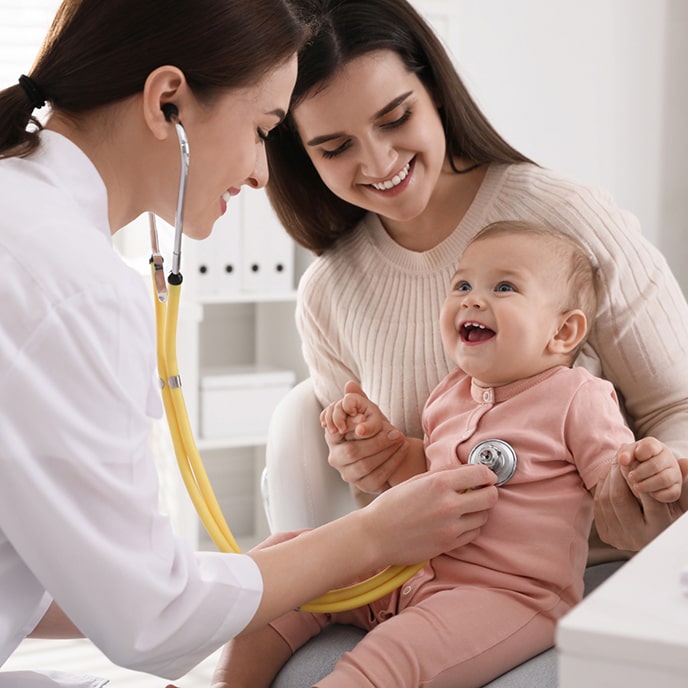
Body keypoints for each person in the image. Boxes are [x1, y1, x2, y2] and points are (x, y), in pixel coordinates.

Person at [0, 1, 501, 685]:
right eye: (264, 127)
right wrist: (372, 536)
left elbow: (68, 577)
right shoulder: (72, 286)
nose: (265, 172)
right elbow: (151, 619)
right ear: (167, 101)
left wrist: (259, 572)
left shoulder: (24, 212)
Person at [262, 0, 688, 556]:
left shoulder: (566, 218)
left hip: (594, 571)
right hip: (430, 583)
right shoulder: (329, 291)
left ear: (434, 89)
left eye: (395, 119)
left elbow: (675, 404)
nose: (378, 162)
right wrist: (363, 461)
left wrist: (658, 496)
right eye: (336, 147)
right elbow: (381, 492)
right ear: (301, 154)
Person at [214, 221, 685, 687]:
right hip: (408, 569)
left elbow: (615, 483)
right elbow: (425, 474)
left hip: (505, 593)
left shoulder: (577, 397)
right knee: (285, 565)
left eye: (504, 287)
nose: (472, 298)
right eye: (462, 284)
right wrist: (387, 447)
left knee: (391, 655)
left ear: (563, 331)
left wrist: (649, 473)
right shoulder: (449, 393)